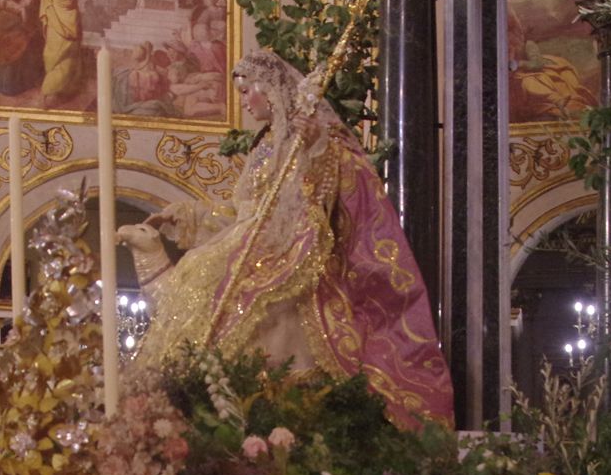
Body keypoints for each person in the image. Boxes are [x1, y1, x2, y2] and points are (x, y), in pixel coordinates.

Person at [131, 53, 454, 428]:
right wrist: (189, 214)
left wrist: (314, 149)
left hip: (290, 247)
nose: (244, 100)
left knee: (240, 289)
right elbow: (241, 213)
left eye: (248, 90)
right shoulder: (262, 146)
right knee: (197, 270)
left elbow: (323, 193)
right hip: (249, 240)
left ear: (270, 90)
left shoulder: (312, 136)